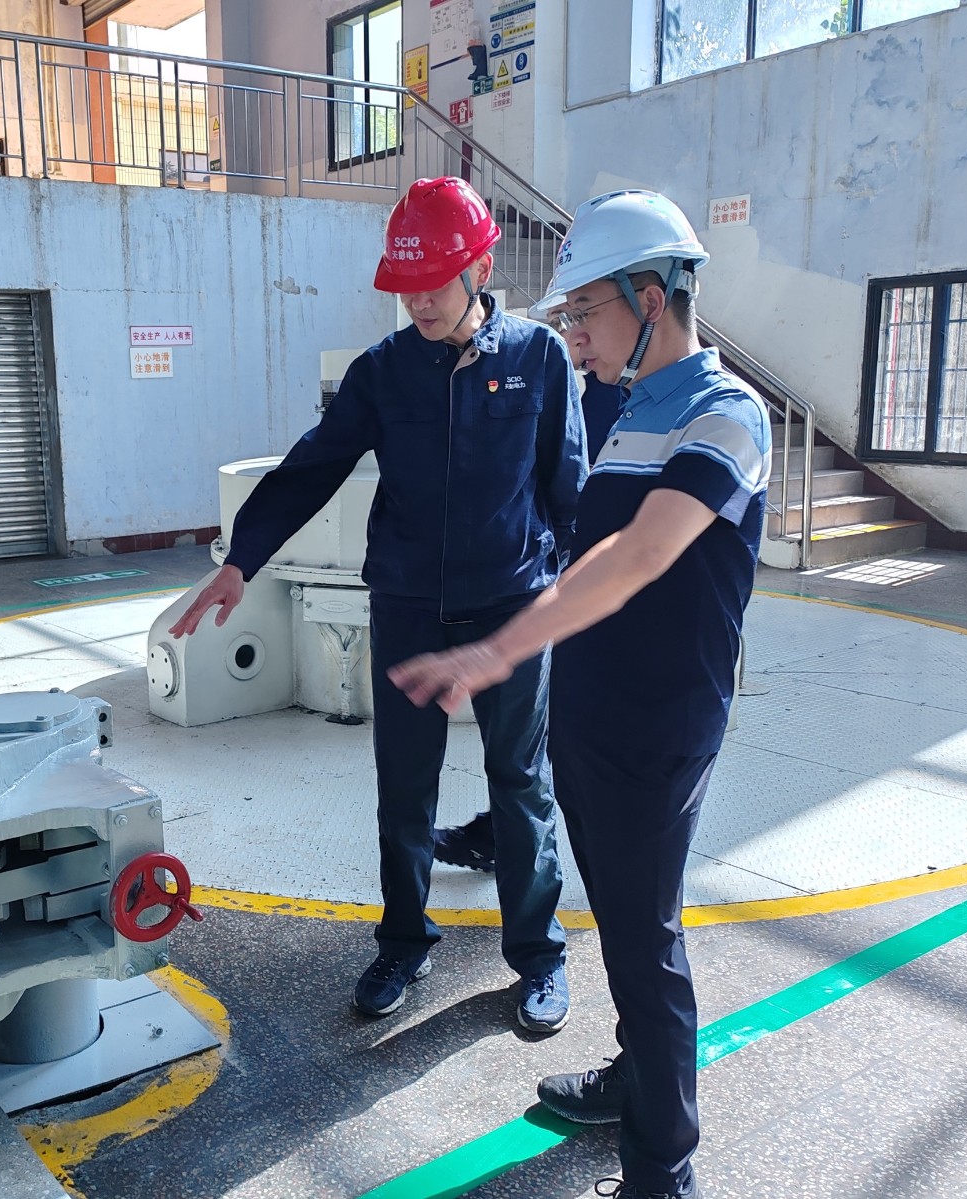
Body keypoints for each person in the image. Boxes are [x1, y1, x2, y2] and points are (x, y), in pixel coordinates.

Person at [389, 190, 771, 1199]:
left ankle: (663, 1164)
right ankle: (635, 1081)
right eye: (566, 317)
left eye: (586, 312)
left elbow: (639, 555)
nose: (575, 336)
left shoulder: (726, 414)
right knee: (623, 924)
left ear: (651, 297)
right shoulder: (623, 406)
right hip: (592, 713)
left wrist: (496, 649)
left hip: (661, 723)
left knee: (646, 940)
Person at [169, 177, 587, 1030]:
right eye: (406, 287)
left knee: (520, 783)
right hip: (407, 607)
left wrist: (564, 600)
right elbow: (311, 468)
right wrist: (242, 559)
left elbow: (567, 488)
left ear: (480, 269)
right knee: (404, 788)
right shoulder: (384, 373)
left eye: (433, 283)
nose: (419, 302)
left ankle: (538, 954)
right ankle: (403, 941)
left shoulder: (539, 359)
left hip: (512, 607)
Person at [432, 341, 626, 873]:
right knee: (540, 733)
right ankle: (501, 834)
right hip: (566, 582)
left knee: (568, 731)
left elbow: (578, 489)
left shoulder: (640, 395)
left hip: (600, 584)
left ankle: (605, 856)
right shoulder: (603, 387)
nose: (579, 338)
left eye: (585, 316)